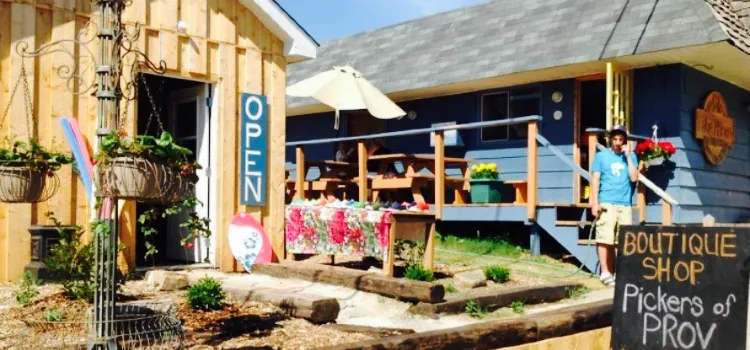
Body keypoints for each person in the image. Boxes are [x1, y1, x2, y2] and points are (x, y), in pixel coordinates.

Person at [590, 125, 638, 287]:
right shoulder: (601, 156)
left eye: (621, 139)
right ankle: (605, 272)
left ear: (625, 140)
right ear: (610, 139)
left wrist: (628, 157)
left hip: (625, 203)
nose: (618, 142)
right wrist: (594, 202)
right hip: (606, 202)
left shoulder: (630, 156)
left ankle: (620, 273)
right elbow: (595, 179)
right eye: (615, 139)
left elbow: (633, 178)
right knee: (604, 238)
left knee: (622, 241)